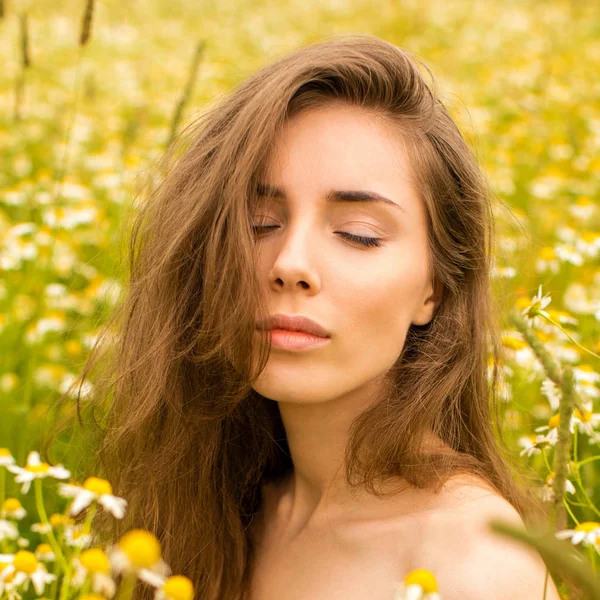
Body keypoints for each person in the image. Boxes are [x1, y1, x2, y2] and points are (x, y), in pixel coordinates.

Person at [43, 34, 563, 600]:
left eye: (357, 235)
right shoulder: (210, 507)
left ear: (434, 290)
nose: (290, 264)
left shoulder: (475, 564)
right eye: (260, 223)